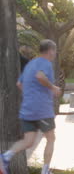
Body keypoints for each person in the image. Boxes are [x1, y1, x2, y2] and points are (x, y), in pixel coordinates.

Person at [0, 40, 60, 174]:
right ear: (50, 51)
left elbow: (19, 84)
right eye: (55, 51)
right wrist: (53, 87)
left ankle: (5, 157)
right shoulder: (46, 63)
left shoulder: (30, 64)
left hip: (27, 109)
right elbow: (40, 76)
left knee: (28, 141)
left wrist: (31, 95)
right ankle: (45, 171)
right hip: (42, 109)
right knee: (51, 138)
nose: (55, 53)